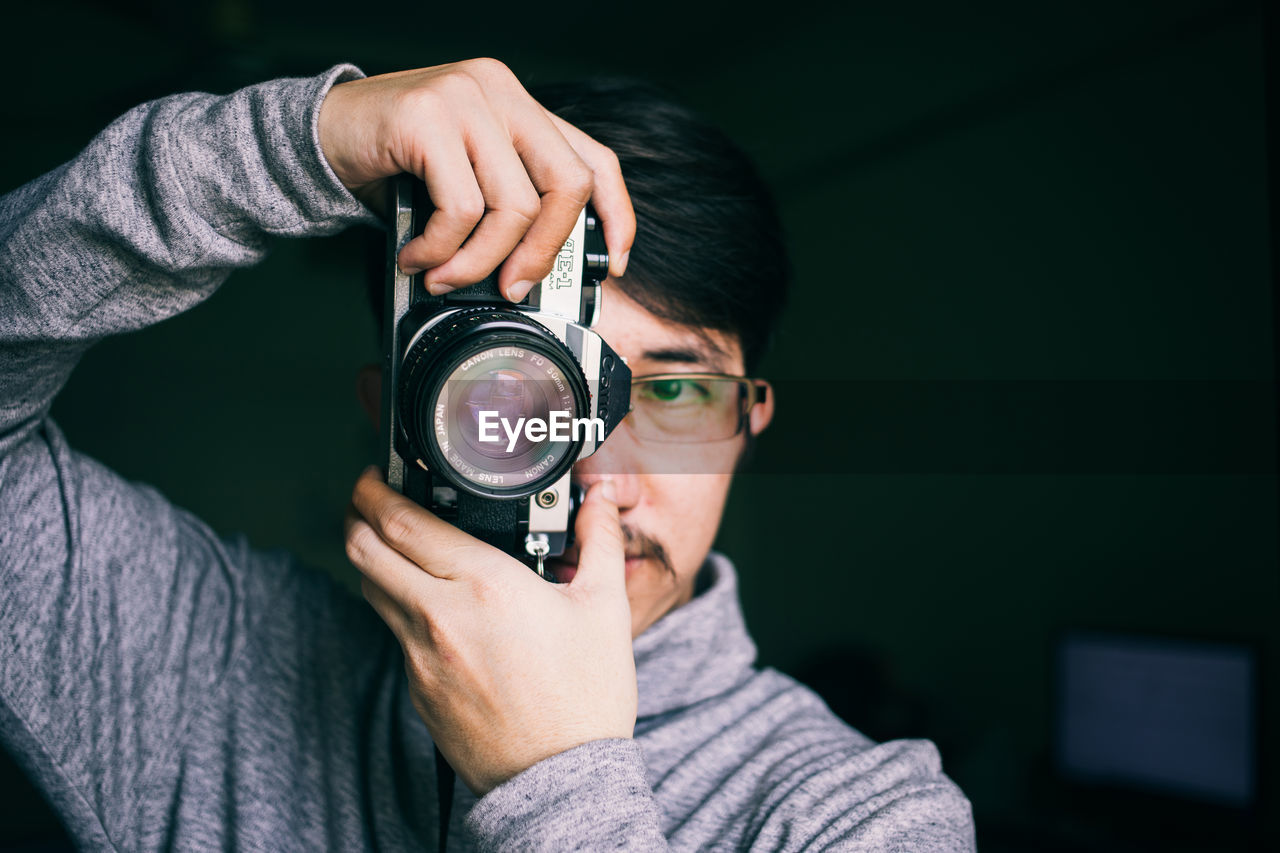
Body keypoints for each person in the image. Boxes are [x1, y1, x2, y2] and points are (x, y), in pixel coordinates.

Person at [0, 58, 975, 850]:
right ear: (400, 414)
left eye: (672, 391)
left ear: (746, 421)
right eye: (520, 383)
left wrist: (551, 783)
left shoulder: (862, 818)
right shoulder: (203, 669)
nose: (599, 484)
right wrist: (295, 148)